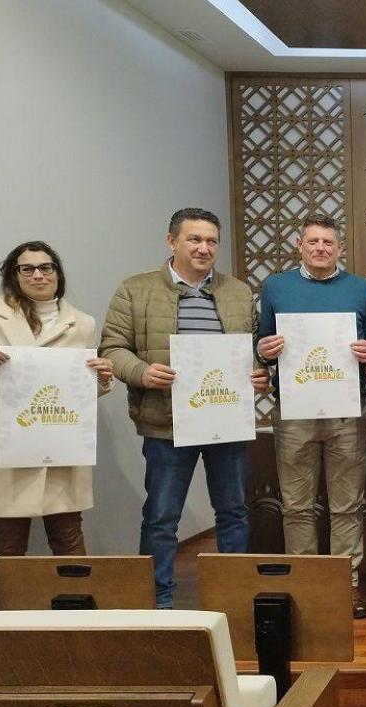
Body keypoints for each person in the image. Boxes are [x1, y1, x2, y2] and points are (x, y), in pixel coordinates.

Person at [100, 208, 267, 609]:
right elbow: (112, 348)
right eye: (194, 239)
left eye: (211, 241)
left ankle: (232, 598)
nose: (204, 248)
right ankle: (158, 601)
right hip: (165, 424)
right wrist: (141, 372)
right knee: (161, 517)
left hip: (226, 422)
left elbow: (255, 349)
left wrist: (261, 373)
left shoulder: (239, 291)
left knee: (233, 512)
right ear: (172, 241)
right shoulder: (135, 289)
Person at [256, 214, 366, 619]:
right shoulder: (276, 287)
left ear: (340, 248)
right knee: (296, 505)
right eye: (313, 241)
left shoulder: (360, 289)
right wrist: (266, 350)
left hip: (348, 411)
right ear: (299, 245)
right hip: (294, 412)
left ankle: (345, 586)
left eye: (328, 242)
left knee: (347, 504)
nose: (320, 248)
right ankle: (306, 585)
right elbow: (260, 342)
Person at [0, 241, 113, 555]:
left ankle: (75, 603)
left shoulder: (83, 323)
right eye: (27, 268)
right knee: (6, 542)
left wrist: (102, 377)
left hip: (61, 442)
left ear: (57, 274)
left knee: (68, 537)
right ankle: (6, 606)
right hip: (9, 443)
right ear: (14, 275)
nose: (38, 275)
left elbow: (83, 390)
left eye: (46, 267)